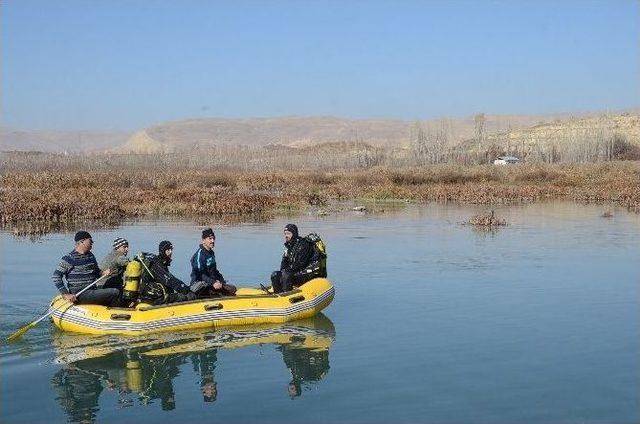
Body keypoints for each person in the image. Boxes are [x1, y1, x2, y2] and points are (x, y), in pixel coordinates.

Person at [52, 231, 118, 306]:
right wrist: (66, 294)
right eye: (90, 240)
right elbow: (56, 277)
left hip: (92, 291)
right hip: (79, 294)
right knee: (114, 292)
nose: (92, 242)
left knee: (116, 285)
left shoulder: (90, 256)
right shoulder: (69, 258)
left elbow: (96, 273)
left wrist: (104, 273)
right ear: (82, 241)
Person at [138, 241, 196, 305]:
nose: (171, 252)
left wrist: (184, 288)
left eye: (171, 250)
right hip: (152, 298)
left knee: (179, 295)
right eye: (168, 250)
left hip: (156, 295)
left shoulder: (163, 263)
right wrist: (185, 289)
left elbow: (170, 279)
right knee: (182, 297)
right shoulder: (156, 264)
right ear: (162, 251)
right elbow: (169, 280)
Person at [271, 224, 322, 293]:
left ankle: (286, 296)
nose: (286, 236)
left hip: (305, 273)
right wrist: (283, 271)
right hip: (293, 272)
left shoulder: (304, 245)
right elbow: (284, 261)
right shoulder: (289, 246)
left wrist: (287, 271)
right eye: (285, 234)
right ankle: (278, 296)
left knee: (286, 274)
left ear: (294, 234)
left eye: (288, 233)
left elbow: (301, 263)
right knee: (275, 274)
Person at [190, 228, 236, 297]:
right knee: (218, 294)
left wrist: (221, 280)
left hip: (210, 283)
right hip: (199, 284)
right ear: (203, 240)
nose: (213, 241)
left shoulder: (211, 253)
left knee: (232, 289)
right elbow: (199, 274)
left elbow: (214, 271)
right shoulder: (199, 255)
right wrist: (213, 282)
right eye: (210, 239)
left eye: (214, 238)